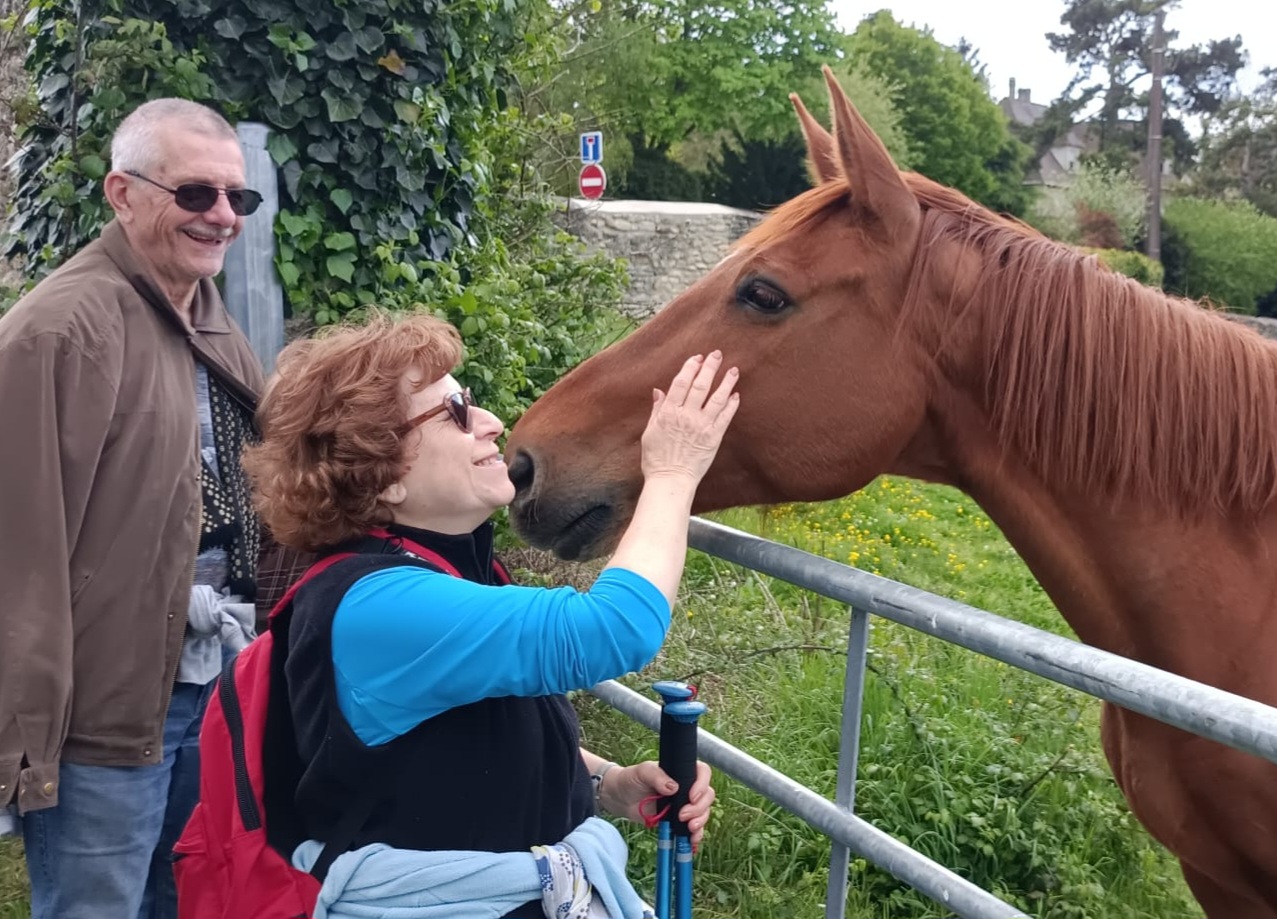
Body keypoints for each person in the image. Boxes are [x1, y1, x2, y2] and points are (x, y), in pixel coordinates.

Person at [236, 312, 736, 918]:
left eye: (469, 400)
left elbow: (463, 741)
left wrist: (606, 783)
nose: (492, 423)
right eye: (454, 413)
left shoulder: (445, 570)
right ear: (382, 473)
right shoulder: (377, 606)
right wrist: (674, 471)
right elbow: (614, 628)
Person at [0, 98, 269, 919]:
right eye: (194, 193)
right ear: (121, 193)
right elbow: (18, 553)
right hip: (107, 708)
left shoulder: (208, 317)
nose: (222, 216)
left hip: (213, 680)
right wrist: (22, 733)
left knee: (190, 896)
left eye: (236, 197)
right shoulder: (57, 330)